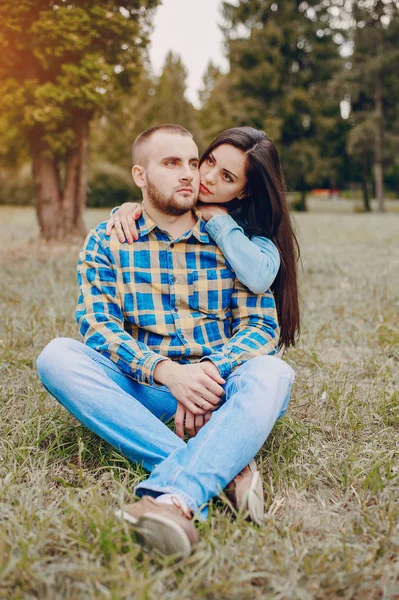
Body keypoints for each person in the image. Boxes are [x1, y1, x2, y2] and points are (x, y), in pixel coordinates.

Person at [36, 124, 298, 558]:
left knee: (273, 372)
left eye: (194, 163)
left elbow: (261, 328)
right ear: (140, 176)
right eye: (173, 163)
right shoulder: (110, 238)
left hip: (218, 390)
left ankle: (177, 497)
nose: (192, 175)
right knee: (57, 357)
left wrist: (209, 372)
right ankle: (226, 468)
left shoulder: (232, 243)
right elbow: (97, 326)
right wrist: (168, 373)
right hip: (143, 389)